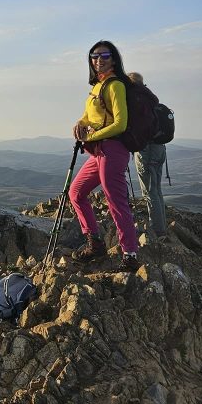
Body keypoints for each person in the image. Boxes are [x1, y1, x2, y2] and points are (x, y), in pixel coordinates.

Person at [69, 40, 140, 271]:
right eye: (94, 56)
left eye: (105, 56)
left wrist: (90, 137)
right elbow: (88, 116)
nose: (98, 60)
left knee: (116, 201)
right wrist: (80, 123)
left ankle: (130, 254)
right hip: (99, 151)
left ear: (114, 59)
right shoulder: (97, 87)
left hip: (114, 149)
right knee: (76, 192)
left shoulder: (116, 85)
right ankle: (95, 242)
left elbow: (121, 124)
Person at [128, 72, 168, 239]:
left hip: (146, 149)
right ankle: (161, 226)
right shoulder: (151, 97)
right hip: (159, 147)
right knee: (157, 189)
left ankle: (158, 230)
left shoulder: (136, 99)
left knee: (150, 191)